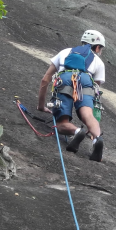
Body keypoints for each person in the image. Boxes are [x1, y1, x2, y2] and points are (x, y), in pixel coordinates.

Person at [38, 29, 106, 161]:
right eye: (101, 48)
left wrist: (41, 106)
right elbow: (95, 93)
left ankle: (76, 132)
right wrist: (94, 128)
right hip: (87, 81)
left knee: (61, 123)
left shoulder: (65, 52)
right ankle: (97, 139)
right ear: (97, 47)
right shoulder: (98, 62)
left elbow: (45, 79)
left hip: (65, 78)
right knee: (88, 115)